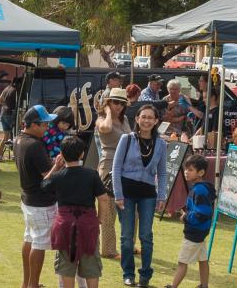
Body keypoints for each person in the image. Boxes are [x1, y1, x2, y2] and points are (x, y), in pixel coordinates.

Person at [112, 104, 168, 287]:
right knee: (127, 237)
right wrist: (118, 194)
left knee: (146, 236)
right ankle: (128, 273)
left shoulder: (161, 144)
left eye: (150, 118)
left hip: (148, 195)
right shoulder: (126, 139)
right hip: (126, 193)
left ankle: (145, 274)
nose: (146, 120)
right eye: (143, 117)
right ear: (137, 119)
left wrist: (161, 197)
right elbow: (116, 168)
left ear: (156, 121)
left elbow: (163, 173)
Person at [43, 136, 105, 288]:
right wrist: (99, 219)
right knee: (91, 263)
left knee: (66, 265)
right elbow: (103, 199)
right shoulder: (92, 174)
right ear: (82, 154)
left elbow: (44, 185)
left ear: (62, 154)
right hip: (88, 222)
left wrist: (55, 167)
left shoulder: (58, 176)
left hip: (64, 223)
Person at [16, 104, 63, 288]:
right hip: (40, 201)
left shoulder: (20, 139)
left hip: (28, 197)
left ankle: (27, 283)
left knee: (30, 238)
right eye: (44, 124)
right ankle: (33, 285)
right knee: (40, 243)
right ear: (33, 125)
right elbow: (47, 176)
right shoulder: (34, 145)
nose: (47, 128)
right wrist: (58, 165)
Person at [166, 154, 215, 288]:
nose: (186, 172)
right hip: (200, 232)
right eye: (185, 169)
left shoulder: (199, 190)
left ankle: (173, 286)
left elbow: (203, 213)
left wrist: (186, 217)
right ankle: (204, 285)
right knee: (203, 260)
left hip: (194, 232)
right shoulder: (199, 188)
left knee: (182, 262)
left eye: (190, 170)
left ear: (201, 173)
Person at [96, 87, 130, 259]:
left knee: (130, 209)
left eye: (121, 103)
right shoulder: (102, 119)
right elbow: (106, 129)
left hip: (126, 168)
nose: (119, 106)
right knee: (108, 211)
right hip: (108, 168)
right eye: (115, 102)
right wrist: (108, 112)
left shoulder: (125, 121)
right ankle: (108, 250)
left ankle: (128, 244)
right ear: (108, 103)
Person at [0, 78, 21, 163]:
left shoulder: (7, 88)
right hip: (10, 113)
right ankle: (14, 155)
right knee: (15, 135)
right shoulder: (16, 90)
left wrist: (5, 105)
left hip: (3, 113)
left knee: (5, 137)